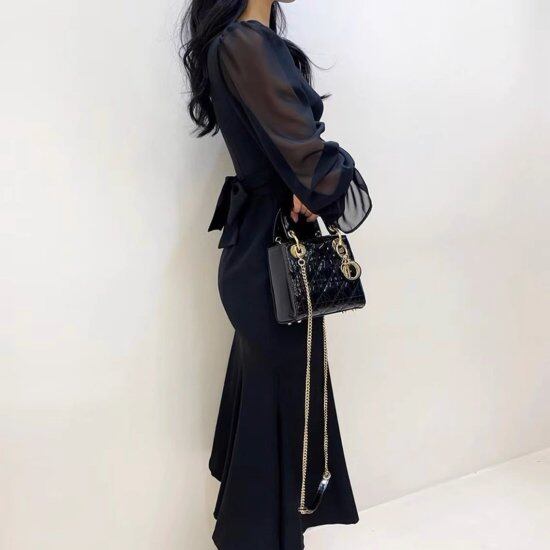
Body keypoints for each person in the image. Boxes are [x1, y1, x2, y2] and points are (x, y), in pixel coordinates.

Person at [181, 1, 372, 548]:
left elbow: (291, 155)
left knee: (279, 427)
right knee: (281, 429)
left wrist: (303, 181)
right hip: (272, 265)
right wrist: (319, 178)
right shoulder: (245, 42)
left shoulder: (246, 42)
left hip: (268, 256)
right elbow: (314, 165)